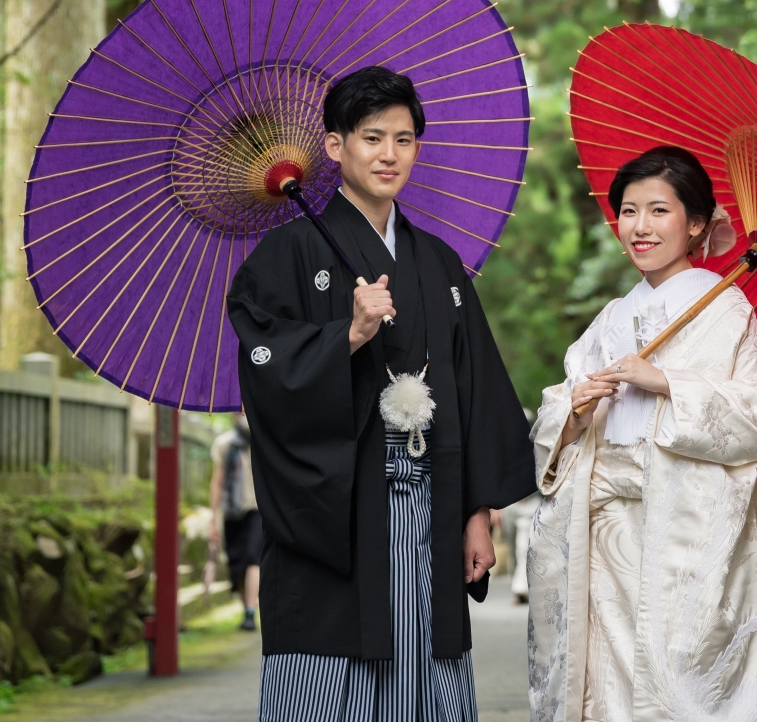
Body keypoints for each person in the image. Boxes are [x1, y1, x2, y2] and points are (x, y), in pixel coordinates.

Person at [228, 64, 536, 722]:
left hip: (431, 503)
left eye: (403, 138)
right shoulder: (283, 256)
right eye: (372, 137)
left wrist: (476, 510)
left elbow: (472, 383)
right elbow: (265, 369)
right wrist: (349, 332)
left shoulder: (441, 264)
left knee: (425, 667)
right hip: (336, 513)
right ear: (335, 146)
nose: (389, 153)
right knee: (328, 668)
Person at [525, 146, 757, 722]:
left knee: (670, 689)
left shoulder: (726, 311)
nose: (640, 227)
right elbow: (560, 412)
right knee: (600, 686)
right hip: (599, 535)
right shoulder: (613, 316)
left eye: (658, 211)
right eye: (628, 211)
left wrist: (669, 382)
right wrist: (575, 410)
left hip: (677, 535)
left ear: (696, 223)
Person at [209, 411, 262, 631]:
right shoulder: (225, 444)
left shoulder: (262, 440)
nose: (242, 415)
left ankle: (250, 612)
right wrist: (213, 517)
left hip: (258, 510)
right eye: (238, 411)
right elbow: (217, 482)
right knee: (237, 563)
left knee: (253, 558)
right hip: (233, 511)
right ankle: (246, 607)